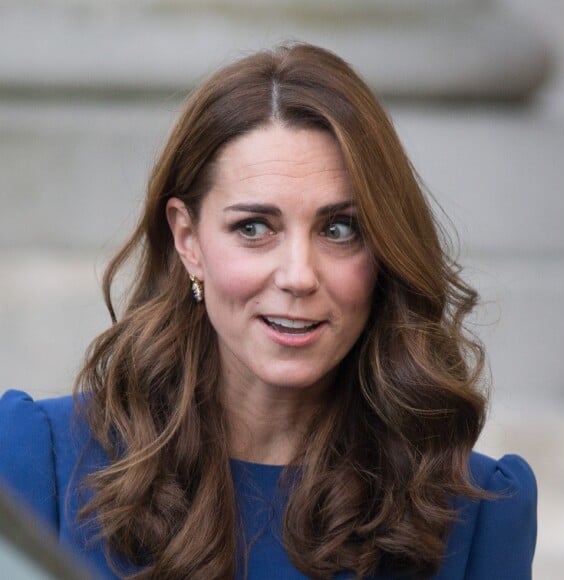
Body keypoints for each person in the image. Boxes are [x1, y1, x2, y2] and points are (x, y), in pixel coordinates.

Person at [0, 43, 536, 579]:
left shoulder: (477, 514)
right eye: (253, 228)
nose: (299, 275)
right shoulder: (38, 460)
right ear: (188, 239)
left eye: (339, 228)